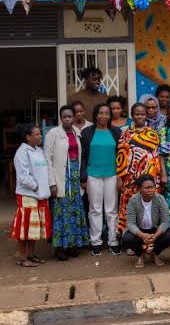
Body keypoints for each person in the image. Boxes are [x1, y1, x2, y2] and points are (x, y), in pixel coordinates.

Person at [44, 106, 89, 260]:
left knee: (75, 210)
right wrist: (52, 183)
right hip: (61, 177)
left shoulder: (77, 133)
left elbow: (81, 156)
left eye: (70, 116)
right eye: (65, 117)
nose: (68, 119)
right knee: (60, 212)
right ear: (60, 118)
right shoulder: (53, 134)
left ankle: (72, 245)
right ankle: (59, 248)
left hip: (74, 177)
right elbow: (47, 159)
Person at [81, 103, 122, 256]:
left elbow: (121, 156)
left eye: (107, 113)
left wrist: (120, 176)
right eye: (101, 113)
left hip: (112, 174)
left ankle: (113, 241)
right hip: (93, 175)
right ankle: (96, 241)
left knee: (111, 209)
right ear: (96, 115)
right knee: (95, 209)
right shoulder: (87, 133)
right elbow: (83, 157)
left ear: (110, 116)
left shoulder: (116, 132)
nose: (104, 116)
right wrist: (83, 177)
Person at [116, 103, 162, 237]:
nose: (140, 116)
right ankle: (131, 239)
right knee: (131, 207)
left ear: (146, 115)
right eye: (137, 114)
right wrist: (119, 177)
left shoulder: (153, 134)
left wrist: (157, 179)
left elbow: (156, 157)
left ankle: (149, 238)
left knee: (148, 208)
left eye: (142, 114)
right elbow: (121, 156)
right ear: (132, 116)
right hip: (130, 179)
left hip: (149, 178)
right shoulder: (126, 134)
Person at [12, 124, 51, 267]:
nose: (40, 136)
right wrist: (35, 187)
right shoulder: (21, 152)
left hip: (40, 194)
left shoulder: (39, 151)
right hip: (28, 194)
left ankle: (31, 254)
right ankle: (22, 258)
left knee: (34, 227)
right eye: (36, 134)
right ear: (27, 137)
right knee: (25, 227)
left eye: (40, 133)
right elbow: (23, 176)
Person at [122, 174, 170, 268]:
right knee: (127, 238)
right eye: (147, 188)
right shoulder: (133, 200)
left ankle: (154, 254)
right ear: (139, 189)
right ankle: (140, 255)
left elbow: (165, 221)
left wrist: (156, 235)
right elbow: (130, 223)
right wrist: (142, 235)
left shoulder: (160, 199)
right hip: (140, 231)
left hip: (155, 230)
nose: (150, 190)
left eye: (152, 187)